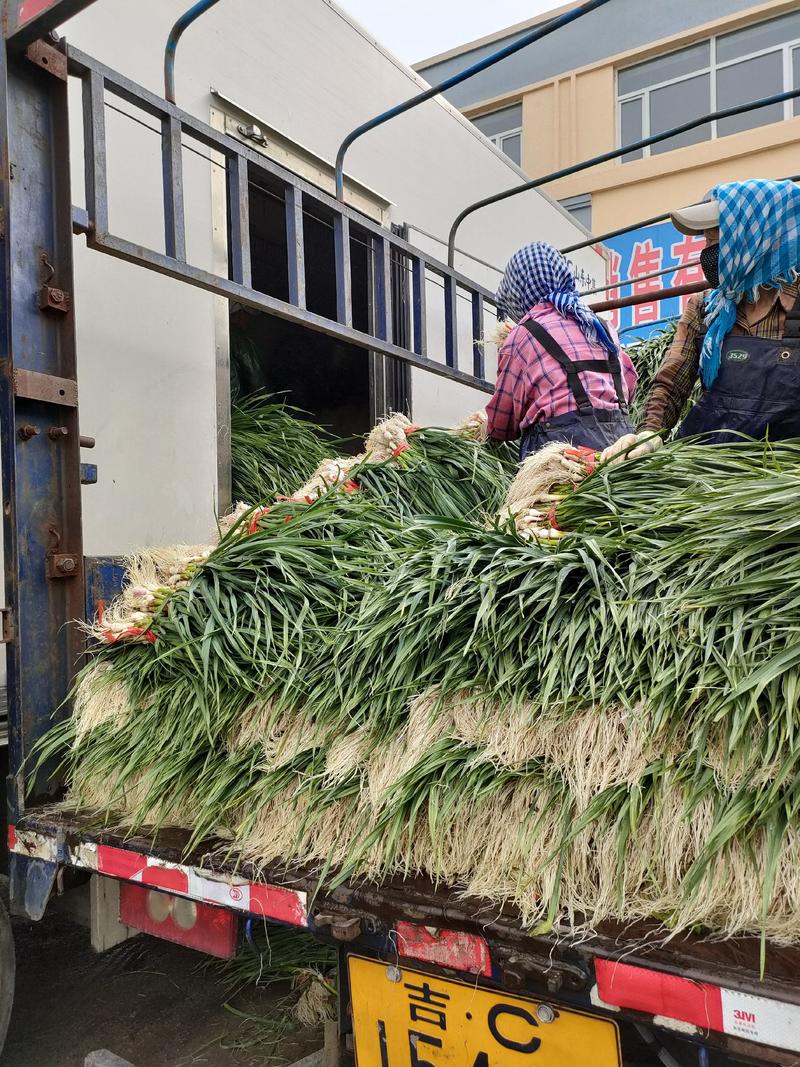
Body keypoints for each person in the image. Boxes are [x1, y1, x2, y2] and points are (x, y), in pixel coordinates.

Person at [606, 178, 800, 458]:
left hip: (780, 480)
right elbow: (672, 382)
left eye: (716, 240)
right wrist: (649, 432)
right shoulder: (707, 308)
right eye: (706, 241)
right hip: (708, 474)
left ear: (759, 240)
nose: (707, 252)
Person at [486, 241, 639, 459]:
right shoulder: (601, 326)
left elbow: (501, 424)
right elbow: (630, 385)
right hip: (619, 445)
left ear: (517, 290)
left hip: (560, 453)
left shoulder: (522, 335)